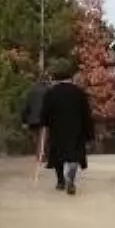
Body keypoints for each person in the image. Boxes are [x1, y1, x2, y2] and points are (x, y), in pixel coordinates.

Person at [39, 59, 95, 195]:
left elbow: (45, 112)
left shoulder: (51, 93)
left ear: (56, 77)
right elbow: (86, 114)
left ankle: (60, 181)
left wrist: (44, 122)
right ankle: (71, 176)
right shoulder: (79, 92)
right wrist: (89, 133)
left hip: (57, 128)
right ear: (70, 77)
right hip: (76, 128)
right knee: (74, 155)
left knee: (59, 155)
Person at [20, 74, 50, 159]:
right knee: (43, 137)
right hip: (44, 118)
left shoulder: (31, 91)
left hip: (32, 119)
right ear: (46, 81)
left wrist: (24, 120)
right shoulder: (48, 91)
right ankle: (41, 154)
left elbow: (26, 106)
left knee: (37, 137)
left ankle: (39, 153)